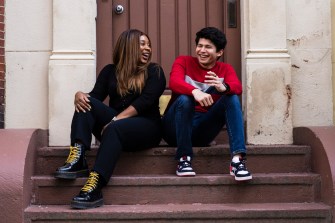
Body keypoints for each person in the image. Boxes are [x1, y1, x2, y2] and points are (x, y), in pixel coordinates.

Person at [54, 29, 166, 209]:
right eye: (142, 44)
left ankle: (95, 186)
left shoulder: (155, 71)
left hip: (146, 128)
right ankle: (78, 156)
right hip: (115, 127)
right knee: (86, 102)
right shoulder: (110, 71)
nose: (148, 49)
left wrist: (116, 120)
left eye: (149, 45)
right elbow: (95, 97)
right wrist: (79, 94)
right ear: (128, 47)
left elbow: (145, 102)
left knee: (115, 127)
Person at [162, 27, 252, 181]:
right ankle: (184, 159)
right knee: (185, 99)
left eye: (208, 47)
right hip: (174, 130)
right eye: (200, 46)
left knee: (231, 97)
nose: (202, 50)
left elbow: (237, 88)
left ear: (219, 52)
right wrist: (194, 92)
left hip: (202, 132)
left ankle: (237, 161)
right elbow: (174, 82)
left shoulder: (225, 69)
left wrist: (224, 88)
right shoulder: (183, 61)